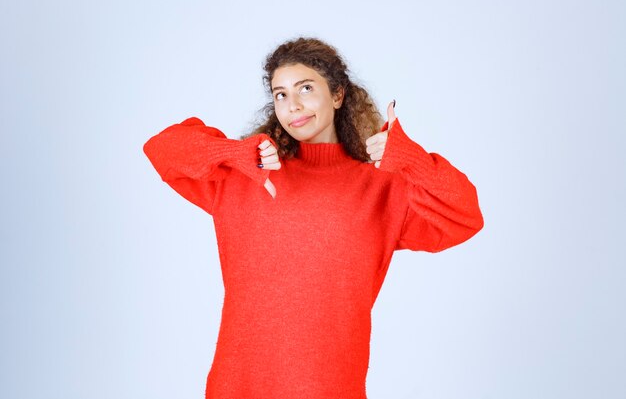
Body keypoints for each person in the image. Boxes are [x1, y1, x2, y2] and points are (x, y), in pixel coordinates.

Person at [143, 36, 484, 399]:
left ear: (337, 95)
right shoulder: (246, 177)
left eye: (306, 88)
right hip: (237, 386)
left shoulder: (380, 187)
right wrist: (234, 153)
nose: (293, 105)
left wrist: (410, 159)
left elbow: (464, 216)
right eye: (281, 94)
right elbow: (161, 149)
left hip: (329, 388)